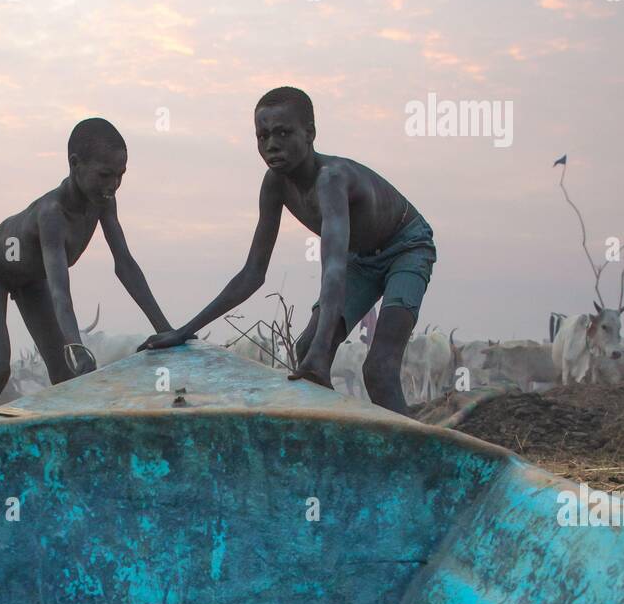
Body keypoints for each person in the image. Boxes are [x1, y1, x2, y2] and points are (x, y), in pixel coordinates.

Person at [140, 87, 436, 414]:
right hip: (360, 260)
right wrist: (183, 332)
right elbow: (253, 274)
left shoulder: (331, 180)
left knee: (378, 369)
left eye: (283, 133)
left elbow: (334, 269)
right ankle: (330, 434)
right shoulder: (274, 184)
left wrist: (322, 357)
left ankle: (422, 459)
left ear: (309, 133)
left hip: (405, 246)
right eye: (262, 135)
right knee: (307, 346)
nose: (271, 145)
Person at [0, 117, 171, 416]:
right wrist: (76, 346)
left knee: (66, 377)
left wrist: (167, 330)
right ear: (75, 165)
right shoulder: (52, 214)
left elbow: (125, 265)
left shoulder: (104, 202)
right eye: (104, 175)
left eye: (120, 175)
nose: (113, 185)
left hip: (31, 279)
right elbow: (60, 291)